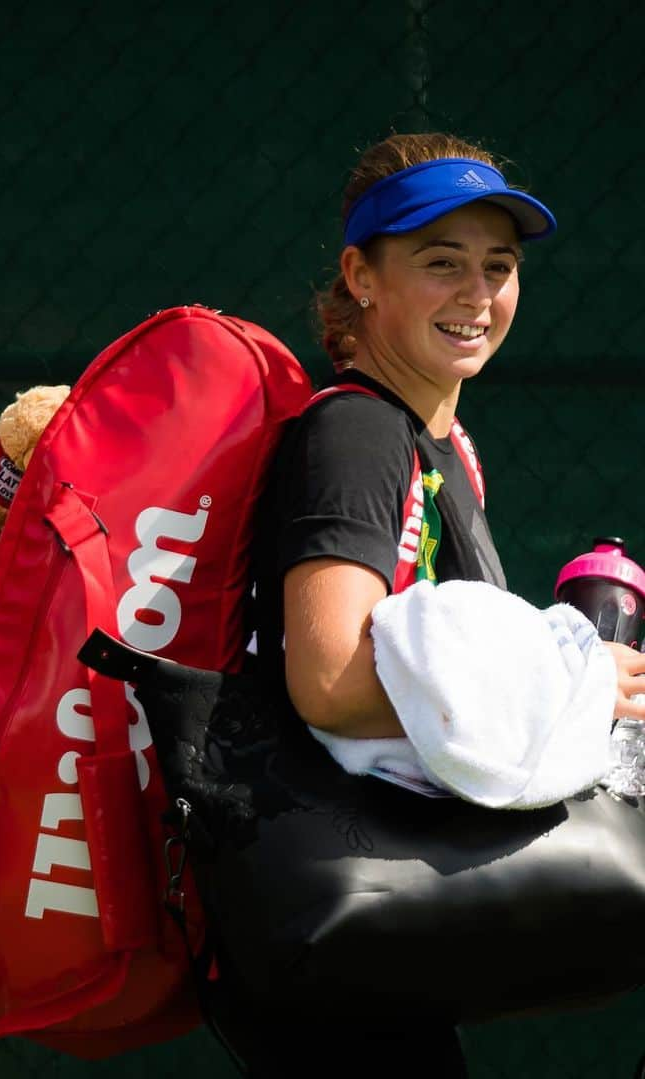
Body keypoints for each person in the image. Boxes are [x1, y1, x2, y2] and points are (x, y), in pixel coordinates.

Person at [204, 132, 645, 1077]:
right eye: (442, 263)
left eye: (500, 265)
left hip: (376, 935)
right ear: (361, 276)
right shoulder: (359, 431)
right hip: (335, 907)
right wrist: (574, 679)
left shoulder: (440, 440)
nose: (477, 295)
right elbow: (325, 680)